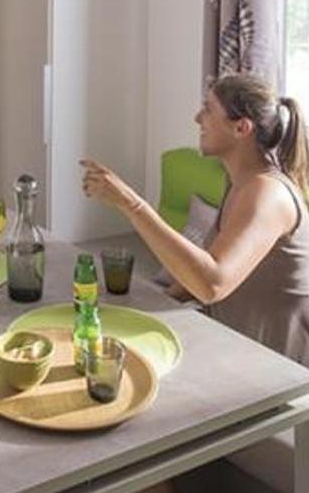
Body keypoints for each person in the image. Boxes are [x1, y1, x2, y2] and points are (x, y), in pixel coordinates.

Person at [81, 73, 309, 367]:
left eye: (208, 109)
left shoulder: (267, 193)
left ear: (241, 127)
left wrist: (131, 203)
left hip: (277, 371)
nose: (197, 118)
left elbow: (212, 284)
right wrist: (150, 304)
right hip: (230, 347)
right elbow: (201, 268)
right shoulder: (239, 183)